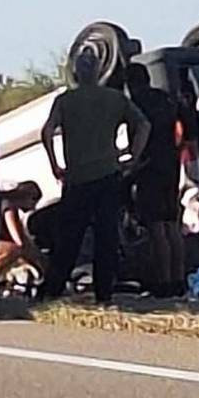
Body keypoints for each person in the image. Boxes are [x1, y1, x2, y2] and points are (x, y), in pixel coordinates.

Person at [39, 50, 151, 303]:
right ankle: (104, 294)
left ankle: (52, 289)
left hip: (77, 178)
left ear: (76, 72)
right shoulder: (115, 98)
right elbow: (144, 125)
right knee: (107, 236)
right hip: (108, 175)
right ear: (100, 71)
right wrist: (132, 155)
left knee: (69, 237)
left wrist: (55, 165)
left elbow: (46, 132)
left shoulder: (66, 100)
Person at [125, 63, 188, 298]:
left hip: (148, 166)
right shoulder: (166, 99)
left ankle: (162, 283)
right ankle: (178, 280)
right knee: (172, 224)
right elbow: (184, 127)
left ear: (131, 83)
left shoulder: (136, 102)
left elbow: (141, 129)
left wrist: (132, 160)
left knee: (155, 226)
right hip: (170, 165)